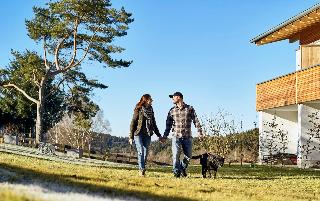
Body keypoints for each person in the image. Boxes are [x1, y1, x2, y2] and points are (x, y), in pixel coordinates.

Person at [162, 92, 204, 178]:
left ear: (179, 97)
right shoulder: (172, 111)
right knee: (176, 155)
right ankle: (176, 173)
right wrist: (165, 136)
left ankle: (181, 168)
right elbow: (168, 125)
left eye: (173, 97)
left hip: (187, 137)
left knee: (188, 156)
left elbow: (196, 121)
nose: (172, 99)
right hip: (176, 136)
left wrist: (200, 133)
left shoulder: (190, 108)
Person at [129, 94, 162, 176]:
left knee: (145, 152)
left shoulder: (151, 109)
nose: (152, 100)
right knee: (141, 151)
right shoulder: (139, 109)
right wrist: (131, 137)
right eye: (150, 99)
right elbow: (133, 122)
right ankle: (141, 169)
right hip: (138, 133)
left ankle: (142, 168)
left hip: (147, 134)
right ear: (146, 100)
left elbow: (154, 123)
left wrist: (159, 135)